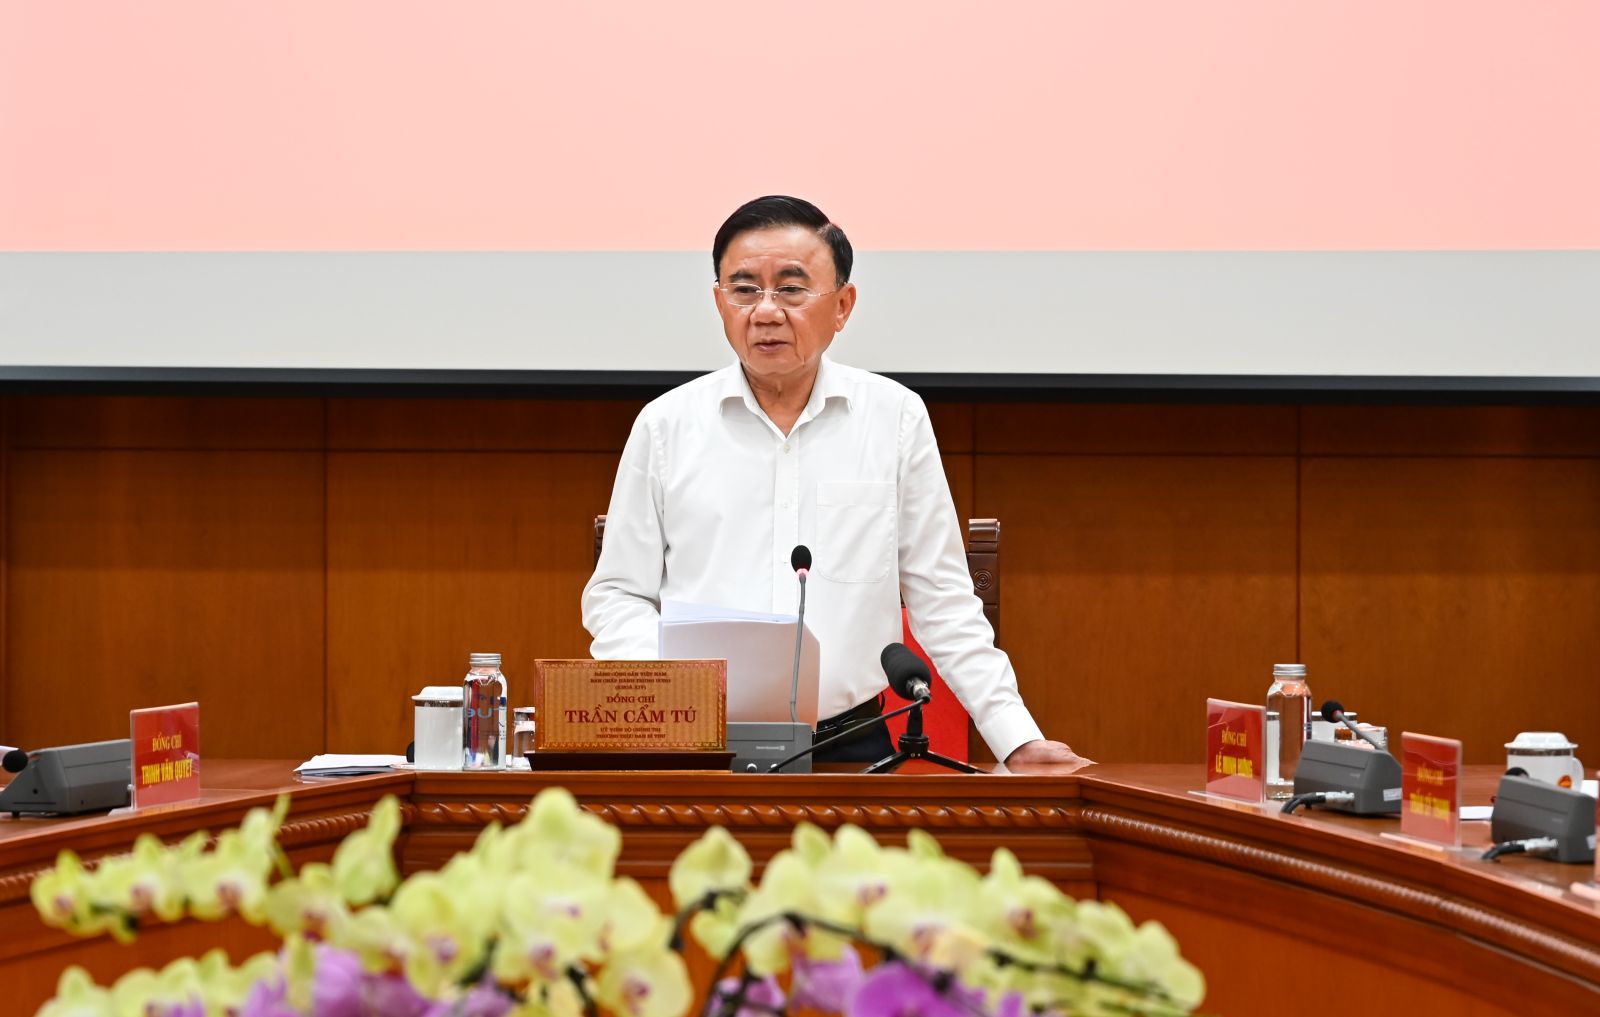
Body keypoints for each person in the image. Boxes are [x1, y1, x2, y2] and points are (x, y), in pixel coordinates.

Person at [583, 195, 1088, 768]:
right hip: (697, 742)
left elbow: (942, 598)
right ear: (719, 302)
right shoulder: (666, 425)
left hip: (852, 744)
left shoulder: (894, 418)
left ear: (843, 305)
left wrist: (1015, 736)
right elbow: (617, 594)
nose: (765, 311)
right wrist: (670, 697)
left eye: (791, 289)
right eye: (744, 289)